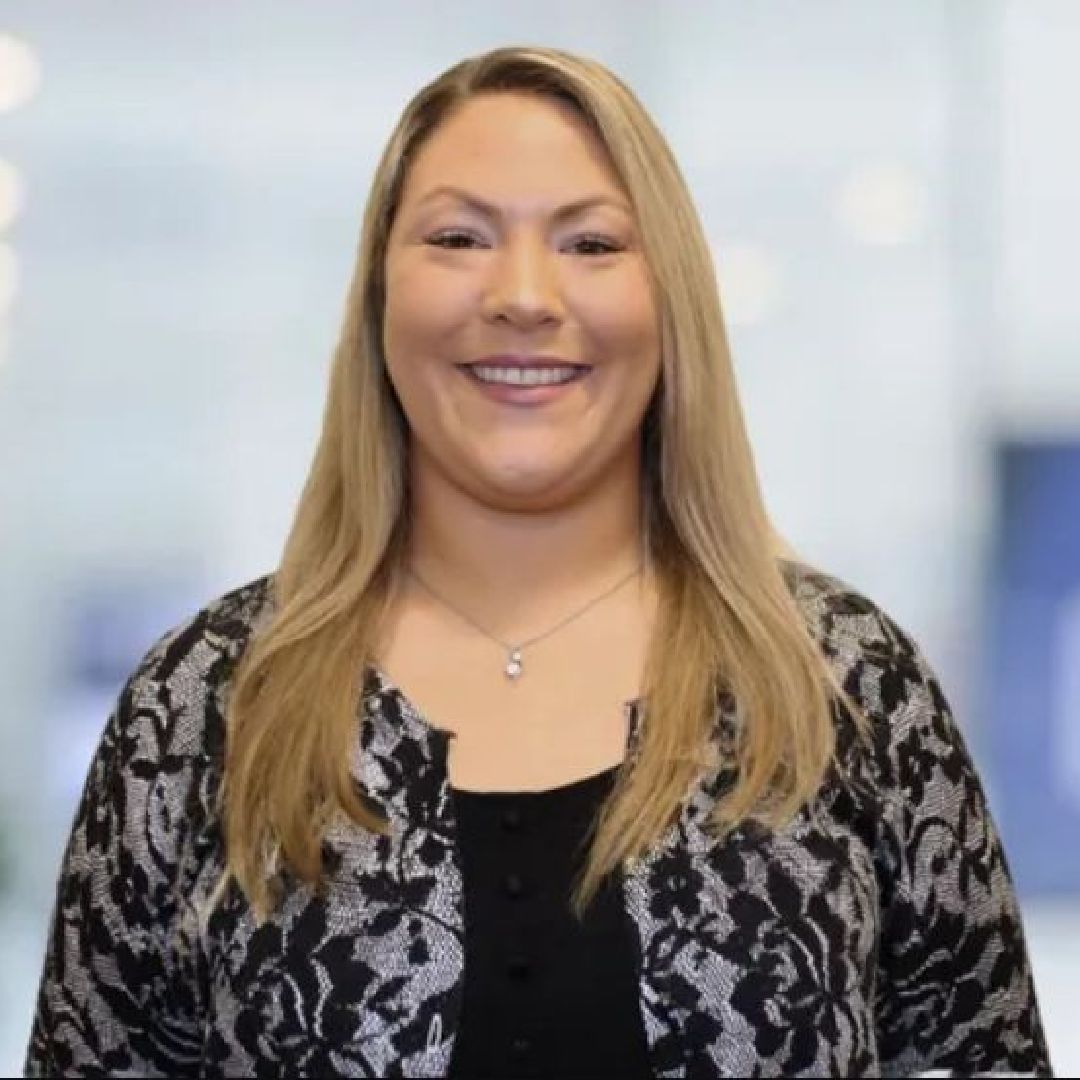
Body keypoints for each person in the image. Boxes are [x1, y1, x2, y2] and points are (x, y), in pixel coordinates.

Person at [24, 45, 1051, 1079]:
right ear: (382, 295)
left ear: (671, 302)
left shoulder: (845, 683)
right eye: (460, 237)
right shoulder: (204, 703)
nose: (522, 294)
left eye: (592, 243)